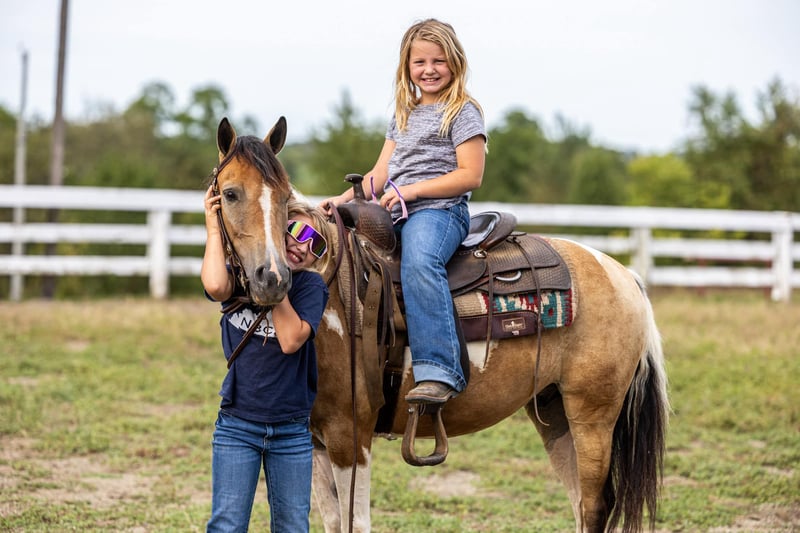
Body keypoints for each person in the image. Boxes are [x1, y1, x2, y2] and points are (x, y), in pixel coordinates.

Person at [321, 18, 486, 404]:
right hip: (397, 211)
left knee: (420, 262)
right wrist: (342, 201)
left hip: (440, 212)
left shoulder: (463, 112)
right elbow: (380, 175)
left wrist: (411, 191)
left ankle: (439, 369)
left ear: (455, 62)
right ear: (406, 67)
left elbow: (471, 175)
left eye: (438, 61)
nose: (429, 70)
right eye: (420, 62)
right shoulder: (403, 113)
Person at [202, 191, 330, 532]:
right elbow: (215, 286)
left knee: (292, 526)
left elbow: (290, 341)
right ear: (277, 227)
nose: (304, 246)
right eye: (298, 231)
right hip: (237, 425)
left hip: (290, 431)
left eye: (316, 245)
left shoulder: (310, 287)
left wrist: (275, 279)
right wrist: (213, 228)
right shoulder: (244, 274)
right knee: (227, 524)